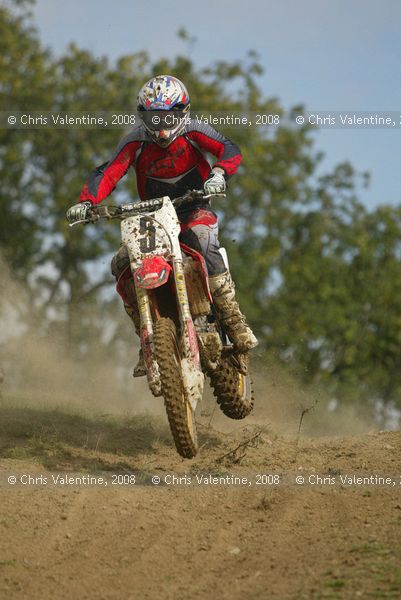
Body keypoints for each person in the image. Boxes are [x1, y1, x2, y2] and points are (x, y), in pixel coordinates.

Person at [67, 75, 257, 376]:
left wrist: (220, 173)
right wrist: (87, 201)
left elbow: (228, 148)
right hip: (153, 215)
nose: (161, 127)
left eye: (168, 118)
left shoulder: (194, 131)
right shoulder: (135, 141)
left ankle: (233, 319)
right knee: (122, 262)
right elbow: (110, 171)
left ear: (182, 112)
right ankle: (147, 337)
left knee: (204, 241)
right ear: (143, 117)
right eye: (154, 118)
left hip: (194, 207)